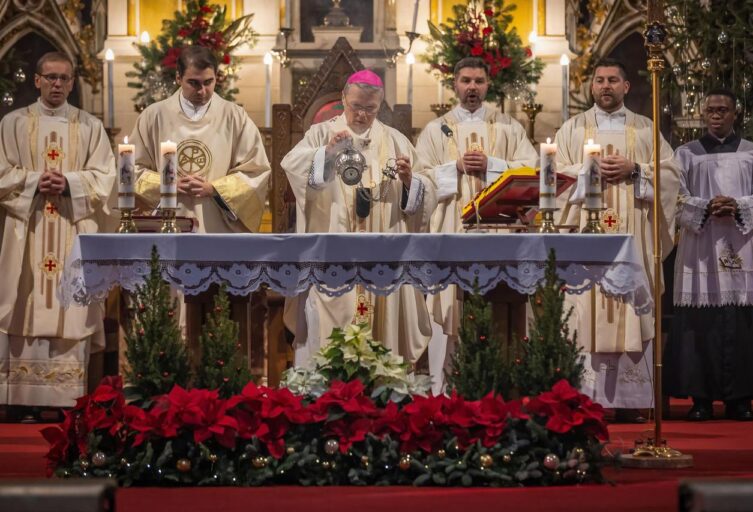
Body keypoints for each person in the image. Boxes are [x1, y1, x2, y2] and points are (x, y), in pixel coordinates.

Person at [281, 69, 437, 368]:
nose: (362, 115)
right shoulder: (320, 134)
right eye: (355, 107)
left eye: (370, 109)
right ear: (343, 99)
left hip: (384, 261)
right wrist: (326, 153)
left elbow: (425, 189)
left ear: (380, 106)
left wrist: (409, 182)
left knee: (383, 338)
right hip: (333, 258)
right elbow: (293, 168)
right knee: (330, 337)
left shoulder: (396, 141)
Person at [554, 58, 680, 420]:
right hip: (587, 240)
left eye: (612, 80)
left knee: (631, 305)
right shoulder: (572, 130)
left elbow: (671, 176)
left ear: (626, 87)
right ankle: (588, 398)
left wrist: (636, 169)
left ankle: (630, 402)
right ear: (591, 87)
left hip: (634, 237)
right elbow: (555, 178)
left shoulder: (644, 129)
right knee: (584, 310)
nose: (605, 86)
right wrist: (588, 172)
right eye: (599, 80)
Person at [0, 52, 115, 415]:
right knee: (22, 297)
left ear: (72, 81)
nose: (57, 85)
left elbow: (106, 178)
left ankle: (67, 401)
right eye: (50, 77)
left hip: (72, 230)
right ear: (36, 80)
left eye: (64, 79)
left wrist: (69, 183)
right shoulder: (12, 124)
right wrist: (35, 181)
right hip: (26, 231)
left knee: (72, 307)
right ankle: (20, 401)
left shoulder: (90, 127)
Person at [415, 57, 538, 393]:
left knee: (498, 299)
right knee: (451, 305)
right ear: (454, 84)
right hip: (451, 229)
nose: (472, 87)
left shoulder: (509, 127)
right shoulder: (434, 129)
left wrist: (493, 165)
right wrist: (453, 167)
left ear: (488, 85)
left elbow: (531, 170)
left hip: (498, 231)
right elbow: (419, 179)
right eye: (466, 80)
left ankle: (499, 387)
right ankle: (447, 388)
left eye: (479, 81)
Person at [663, 88, 753, 421]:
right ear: (703, 113)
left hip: (741, 245)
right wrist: (705, 206)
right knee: (699, 323)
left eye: (724, 110)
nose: (717, 115)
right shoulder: (685, 155)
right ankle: (701, 399)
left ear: (735, 114)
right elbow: (673, 199)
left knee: (743, 322)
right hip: (700, 248)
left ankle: (741, 400)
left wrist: (738, 205)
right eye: (711, 110)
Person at [131, 45, 270, 233]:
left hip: (218, 227)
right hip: (166, 225)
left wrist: (214, 189)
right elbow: (131, 170)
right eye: (194, 83)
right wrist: (166, 185)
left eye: (208, 82)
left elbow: (256, 172)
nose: (202, 91)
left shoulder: (235, 117)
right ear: (178, 78)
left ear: (216, 78)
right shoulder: (154, 116)